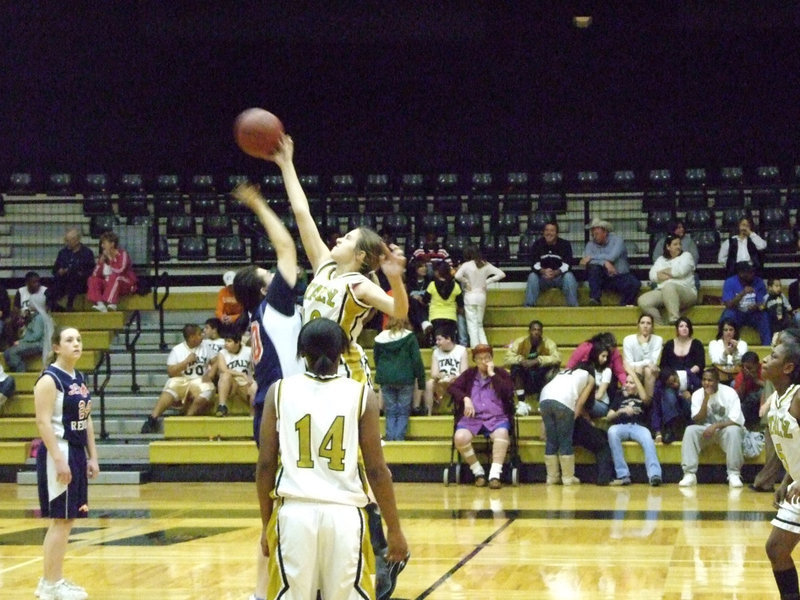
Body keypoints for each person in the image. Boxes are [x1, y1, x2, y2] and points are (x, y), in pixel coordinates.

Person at [255, 318, 408, 600]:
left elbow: (265, 465)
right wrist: (394, 529)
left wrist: (266, 525)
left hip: (294, 515)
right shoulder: (362, 393)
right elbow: (376, 470)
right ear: (342, 352)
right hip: (345, 517)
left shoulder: (279, 391)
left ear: (301, 352)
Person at [275, 135, 408, 382]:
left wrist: (395, 280)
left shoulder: (359, 284)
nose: (338, 240)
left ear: (360, 255)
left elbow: (398, 311)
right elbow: (302, 213)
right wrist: (286, 164)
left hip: (346, 371)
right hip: (311, 368)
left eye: (347, 239)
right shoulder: (324, 266)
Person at [229, 182, 305, 600]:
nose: (275, 275)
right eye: (268, 277)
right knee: (294, 501)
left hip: (267, 404)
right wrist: (259, 203)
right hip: (287, 405)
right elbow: (287, 248)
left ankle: (264, 592)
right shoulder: (273, 303)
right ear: (264, 289)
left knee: (274, 507)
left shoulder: (260, 314)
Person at [33, 326, 99, 600]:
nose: (76, 344)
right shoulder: (50, 380)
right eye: (69, 340)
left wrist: (92, 455)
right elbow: (42, 421)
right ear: (57, 347)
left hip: (75, 451)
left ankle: (53, 579)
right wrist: (59, 460)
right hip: (57, 452)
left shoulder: (79, 378)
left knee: (68, 519)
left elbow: (87, 419)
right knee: (60, 520)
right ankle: (50, 584)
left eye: (79, 339)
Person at [761, 330, 800, 599]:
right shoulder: (776, 400)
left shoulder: (798, 397)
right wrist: (787, 480)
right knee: (776, 548)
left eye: (772, 356)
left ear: (787, 367)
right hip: (796, 485)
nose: (765, 359)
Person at [448, 344, 515, 489]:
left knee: (502, 434)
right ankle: (478, 472)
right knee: (460, 437)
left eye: (487, 358)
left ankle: (495, 476)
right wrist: (465, 398)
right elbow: (452, 388)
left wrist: (492, 375)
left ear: (492, 358)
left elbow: (508, 392)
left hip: (496, 418)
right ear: (475, 361)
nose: (484, 361)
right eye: (480, 359)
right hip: (473, 419)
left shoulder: (501, 374)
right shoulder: (469, 374)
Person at [140, 323, 219, 433]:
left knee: (208, 390)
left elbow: (216, 361)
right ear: (192, 337)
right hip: (183, 379)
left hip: (200, 379)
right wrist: (185, 362)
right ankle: (153, 418)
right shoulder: (177, 350)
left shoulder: (205, 346)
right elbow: (171, 372)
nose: (202, 336)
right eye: (199, 334)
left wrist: (210, 373)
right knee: (171, 385)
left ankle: (187, 417)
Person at [678, 367, 746, 488]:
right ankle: (689, 474)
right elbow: (697, 419)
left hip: (725, 431)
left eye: (710, 380)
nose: (706, 383)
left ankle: (734, 474)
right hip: (705, 431)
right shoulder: (698, 394)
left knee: (734, 431)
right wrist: (705, 399)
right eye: (704, 380)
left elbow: (736, 420)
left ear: (717, 381)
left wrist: (716, 426)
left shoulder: (730, 392)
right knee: (690, 430)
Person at [538, 363, 595, 485]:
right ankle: (568, 478)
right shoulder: (589, 377)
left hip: (544, 399)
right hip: (563, 401)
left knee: (551, 440)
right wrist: (573, 418)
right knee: (565, 440)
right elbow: (581, 402)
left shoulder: (564, 372)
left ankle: (552, 477)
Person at [606, 366, 663, 486]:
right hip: (621, 425)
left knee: (648, 437)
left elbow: (645, 399)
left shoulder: (642, 397)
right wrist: (620, 411)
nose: (626, 385)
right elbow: (608, 417)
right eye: (626, 382)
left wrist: (633, 374)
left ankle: (655, 475)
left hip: (638, 426)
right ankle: (623, 475)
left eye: (631, 383)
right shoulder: (620, 396)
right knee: (611, 431)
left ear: (638, 385)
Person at [373, 317, 425, 441]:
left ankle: (391, 440)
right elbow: (417, 360)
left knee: (390, 411)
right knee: (403, 412)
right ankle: (399, 440)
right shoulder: (410, 338)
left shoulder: (380, 338)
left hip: (386, 379)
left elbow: (376, 359)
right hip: (406, 379)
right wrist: (421, 381)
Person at [637, 233, 698, 325]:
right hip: (664, 291)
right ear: (668, 247)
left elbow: (680, 271)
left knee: (669, 286)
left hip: (687, 292)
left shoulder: (687, 256)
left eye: (680, 244)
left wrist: (663, 272)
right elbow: (652, 276)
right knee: (643, 301)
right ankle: (659, 324)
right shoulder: (661, 259)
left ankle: (675, 320)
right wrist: (668, 273)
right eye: (675, 244)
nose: (679, 247)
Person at [579, 217, 641, 306]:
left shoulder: (618, 241)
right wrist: (604, 263)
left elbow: (612, 257)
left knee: (635, 284)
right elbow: (586, 261)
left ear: (605, 232)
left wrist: (593, 257)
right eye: (592, 234)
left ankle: (624, 305)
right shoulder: (590, 245)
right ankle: (595, 299)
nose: (594, 236)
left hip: (620, 276)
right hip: (602, 278)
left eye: (596, 234)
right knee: (594, 268)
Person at [454, 245, 505, 347]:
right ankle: (484, 346)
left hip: (470, 296)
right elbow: (502, 274)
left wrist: (466, 281)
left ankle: (476, 348)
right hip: (481, 295)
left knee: (471, 325)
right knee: (479, 324)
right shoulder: (486, 264)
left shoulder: (466, 265)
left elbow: (457, 276)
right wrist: (487, 281)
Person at [504, 320, 561, 405]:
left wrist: (538, 360)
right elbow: (506, 359)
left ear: (542, 332)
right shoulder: (520, 342)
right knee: (516, 368)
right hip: (525, 376)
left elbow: (557, 358)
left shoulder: (549, 343)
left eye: (539, 330)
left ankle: (544, 399)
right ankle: (521, 402)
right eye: (534, 330)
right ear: (529, 331)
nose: (536, 332)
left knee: (553, 369)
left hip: (540, 376)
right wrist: (520, 360)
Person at [524, 221, 578, 307]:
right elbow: (534, 263)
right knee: (532, 277)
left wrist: (556, 272)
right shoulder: (537, 244)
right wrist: (543, 271)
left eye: (552, 230)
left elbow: (567, 264)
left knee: (569, 277)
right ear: (543, 232)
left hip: (560, 277)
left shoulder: (565, 244)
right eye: (546, 230)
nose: (549, 233)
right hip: (543, 278)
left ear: (557, 233)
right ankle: (528, 307)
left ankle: (573, 308)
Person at [719, 260, 771, 346]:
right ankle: (726, 346)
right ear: (741, 273)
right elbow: (728, 305)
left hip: (753, 314)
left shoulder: (759, 282)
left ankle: (767, 347)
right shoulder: (730, 282)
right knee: (727, 316)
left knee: (764, 316)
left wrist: (757, 306)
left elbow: (763, 303)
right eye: (750, 272)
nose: (753, 274)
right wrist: (742, 293)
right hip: (737, 312)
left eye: (753, 271)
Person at [45, 228, 96, 312]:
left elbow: (91, 270)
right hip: (64, 280)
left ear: (77, 240)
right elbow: (54, 269)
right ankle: (52, 305)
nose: (67, 243)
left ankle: (69, 304)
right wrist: (59, 271)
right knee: (54, 284)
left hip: (80, 282)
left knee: (73, 276)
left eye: (69, 240)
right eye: (66, 240)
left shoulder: (87, 253)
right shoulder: (62, 253)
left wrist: (79, 273)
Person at [87, 231, 138, 312]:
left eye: (104, 243)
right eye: (102, 243)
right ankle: (100, 305)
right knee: (92, 279)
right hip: (108, 284)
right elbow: (95, 275)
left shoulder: (122, 254)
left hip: (125, 283)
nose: (102, 246)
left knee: (115, 277)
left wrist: (110, 260)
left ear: (112, 244)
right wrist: (100, 263)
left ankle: (112, 303)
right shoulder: (103, 256)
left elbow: (120, 270)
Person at [423, 329, 468, 416]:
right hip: (441, 380)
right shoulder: (436, 352)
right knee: (429, 383)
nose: (437, 342)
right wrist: (440, 375)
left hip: (456, 379)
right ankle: (428, 413)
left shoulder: (461, 350)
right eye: (436, 340)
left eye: (439, 339)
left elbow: (464, 373)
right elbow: (434, 373)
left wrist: (454, 377)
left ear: (448, 339)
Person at [659, 316, 705, 396]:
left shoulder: (697, 344)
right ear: (677, 329)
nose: (684, 328)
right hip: (672, 380)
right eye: (681, 326)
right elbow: (663, 365)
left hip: (691, 378)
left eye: (687, 326)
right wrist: (673, 378)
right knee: (670, 396)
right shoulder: (669, 345)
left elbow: (700, 364)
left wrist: (686, 375)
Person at [4, 294, 51, 372]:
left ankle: (21, 372)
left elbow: (36, 335)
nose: (29, 304)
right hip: (33, 342)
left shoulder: (39, 317)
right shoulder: (36, 315)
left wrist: (21, 341)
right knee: (7, 352)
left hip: (38, 344)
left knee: (12, 352)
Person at [214, 329, 254, 417]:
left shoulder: (249, 351)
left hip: (246, 383)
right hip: (231, 383)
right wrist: (241, 374)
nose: (226, 344)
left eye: (229, 341)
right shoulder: (222, 353)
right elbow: (223, 369)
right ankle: (222, 407)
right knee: (225, 375)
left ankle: (253, 416)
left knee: (254, 387)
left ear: (237, 342)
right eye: (225, 341)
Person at [622, 314, 663, 400]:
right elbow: (629, 364)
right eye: (642, 323)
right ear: (638, 325)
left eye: (648, 323)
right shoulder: (628, 339)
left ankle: (648, 401)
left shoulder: (658, 339)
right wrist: (646, 363)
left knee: (648, 370)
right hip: (634, 370)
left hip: (652, 371)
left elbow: (653, 362)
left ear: (652, 326)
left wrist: (645, 344)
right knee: (640, 369)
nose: (645, 326)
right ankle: (637, 400)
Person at [651, 366, 692, 445]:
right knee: (669, 394)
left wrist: (692, 396)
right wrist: (657, 431)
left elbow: (702, 392)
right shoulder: (660, 387)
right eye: (671, 384)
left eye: (675, 380)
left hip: (688, 410)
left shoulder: (687, 376)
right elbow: (656, 409)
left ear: (676, 374)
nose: (675, 384)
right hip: (671, 413)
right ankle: (670, 429)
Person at [5, 271, 47, 347]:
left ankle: (23, 342)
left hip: (38, 318)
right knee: (9, 322)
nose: (37, 284)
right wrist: (21, 316)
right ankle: (13, 345)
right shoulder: (21, 291)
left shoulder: (44, 291)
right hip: (23, 318)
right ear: (27, 283)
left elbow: (47, 309)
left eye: (38, 282)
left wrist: (33, 315)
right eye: (34, 282)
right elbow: (16, 309)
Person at [425, 261, 462, 344]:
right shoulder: (456, 285)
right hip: (451, 317)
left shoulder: (432, 285)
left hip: (435, 316)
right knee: (450, 342)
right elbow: (460, 304)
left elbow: (425, 300)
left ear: (438, 272)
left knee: (438, 342)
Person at [709, 318, 749, 384]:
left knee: (734, 383)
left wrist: (735, 351)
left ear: (735, 331)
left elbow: (741, 362)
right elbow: (715, 361)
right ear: (722, 331)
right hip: (719, 376)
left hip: (737, 376)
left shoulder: (742, 344)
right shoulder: (714, 344)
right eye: (725, 330)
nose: (728, 332)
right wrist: (725, 353)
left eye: (731, 330)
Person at [733, 351, 765, 429]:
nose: (747, 370)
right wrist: (744, 381)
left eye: (750, 368)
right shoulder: (742, 375)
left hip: (764, 400)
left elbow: (772, 387)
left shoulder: (765, 370)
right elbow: (738, 398)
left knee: (761, 392)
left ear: (757, 365)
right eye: (745, 368)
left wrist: (755, 380)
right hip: (747, 401)